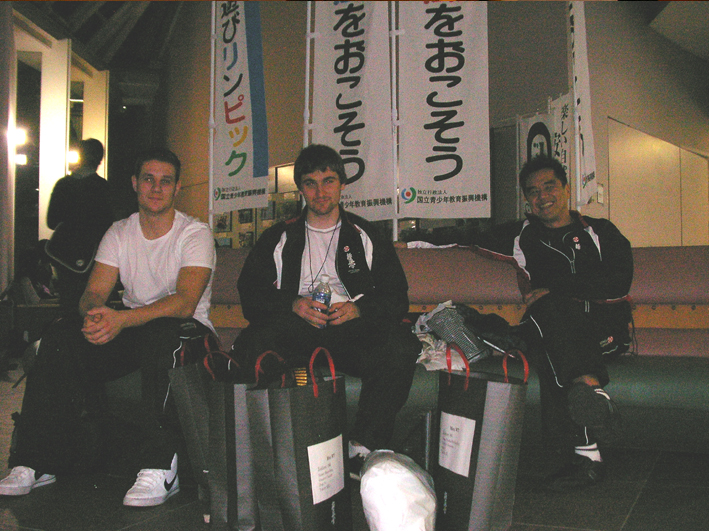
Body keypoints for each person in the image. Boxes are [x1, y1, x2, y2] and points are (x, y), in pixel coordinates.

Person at [0, 148, 217, 507]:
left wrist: (121, 320)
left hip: (189, 334)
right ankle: (36, 462)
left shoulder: (195, 233)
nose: (156, 188)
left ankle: (161, 467)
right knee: (61, 334)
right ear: (134, 183)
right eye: (148, 179)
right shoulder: (119, 232)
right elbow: (93, 293)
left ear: (177, 188)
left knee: (164, 334)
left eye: (166, 181)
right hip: (135, 329)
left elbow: (184, 303)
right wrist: (94, 315)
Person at [231, 144, 421, 478]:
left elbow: (396, 297)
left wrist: (359, 309)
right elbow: (250, 294)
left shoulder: (365, 234)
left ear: (342, 185)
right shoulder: (279, 236)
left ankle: (363, 447)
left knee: (400, 344)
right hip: (298, 329)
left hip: (350, 331)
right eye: (311, 183)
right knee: (253, 341)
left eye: (329, 181)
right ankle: (263, 448)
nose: (320, 192)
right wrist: (292, 304)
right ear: (300, 188)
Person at [475, 155, 633, 491]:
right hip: (551, 330)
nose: (542, 196)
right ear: (526, 200)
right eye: (533, 192)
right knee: (547, 322)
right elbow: (467, 237)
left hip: (603, 334)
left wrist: (557, 289)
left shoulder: (600, 231)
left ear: (566, 188)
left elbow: (620, 281)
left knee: (547, 316)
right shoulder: (522, 236)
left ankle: (585, 453)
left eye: (550, 187)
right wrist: (407, 242)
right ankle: (591, 395)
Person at [46, 139, 114, 314]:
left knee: (68, 305)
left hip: (64, 256)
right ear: (99, 160)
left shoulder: (63, 185)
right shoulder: (102, 188)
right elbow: (108, 225)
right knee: (92, 305)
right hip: (93, 256)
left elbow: (51, 221)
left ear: (80, 157)